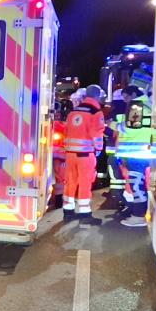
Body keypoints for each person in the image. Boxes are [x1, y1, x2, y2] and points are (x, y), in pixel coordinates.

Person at [63, 84, 106, 225]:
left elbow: (66, 131)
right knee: (85, 182)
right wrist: (99, 149)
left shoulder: (73, 112)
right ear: (97, 96)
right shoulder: (95, 112)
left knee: (70, 181)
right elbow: (97, 134)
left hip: (70, 153)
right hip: (85, 154)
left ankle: (68, 211)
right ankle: (85, 213)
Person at [114, 85, 152, 227]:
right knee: (140, 185)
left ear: (134, 94)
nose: (125, 101)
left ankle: (139, 216)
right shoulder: (148, 104)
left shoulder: (137, 105)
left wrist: (114, 125)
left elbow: (130, 128)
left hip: (136, 153)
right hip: (144, 152)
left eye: (126, 97)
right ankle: (142, 213)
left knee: (136, 185)